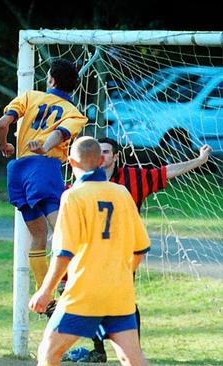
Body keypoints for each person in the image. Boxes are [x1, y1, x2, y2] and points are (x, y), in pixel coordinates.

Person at [66, 138, 214, 363]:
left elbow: (166, 172)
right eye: (99, 151)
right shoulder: (78, 187)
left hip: (122, 256)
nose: (102, 156)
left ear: (115, 156)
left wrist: (199, 161)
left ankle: (133, 350)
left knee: (123, 302)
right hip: (88, 255)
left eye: (107, 151)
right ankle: (99, 350)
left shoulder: (133, 178)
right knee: (92, 299)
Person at [28, 136, 150, 366]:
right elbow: (141, 248)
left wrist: (45, 291)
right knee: (132, 358)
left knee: (48, 353)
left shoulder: (73, 196)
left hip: (85, 292)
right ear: (102, 159)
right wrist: (123, 274)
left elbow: (64, 252)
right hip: (119, 292)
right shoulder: (122, 193)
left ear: (71, 163)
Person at [0, 58, 88, 303]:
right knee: (63, 232)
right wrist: (44, 147)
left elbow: (2, 123)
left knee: (38, 236)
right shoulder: (74, 114)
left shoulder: (29, 96)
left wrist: (4, 145)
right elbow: (58, 135)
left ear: (51, 80)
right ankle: (70, 284)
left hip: (17, 171)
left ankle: (43, 294)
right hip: (44, 168)